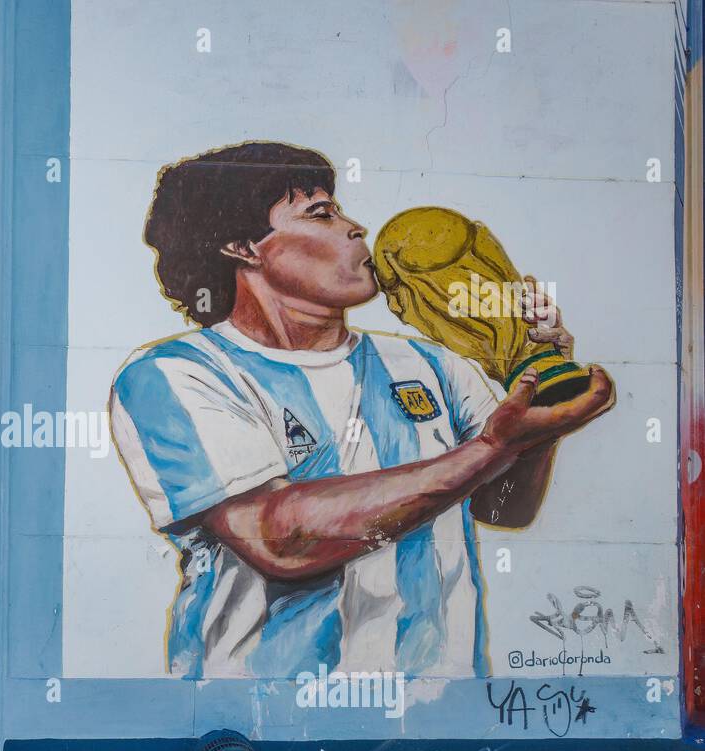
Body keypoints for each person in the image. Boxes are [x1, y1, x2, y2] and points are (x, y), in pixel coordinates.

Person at [108, 141, 615, 679]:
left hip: (435, 702)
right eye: (321, 213)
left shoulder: (431, 363)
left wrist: (542, 405)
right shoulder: (176, 373)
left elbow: (504, 507)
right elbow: (279, 538)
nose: (356, 228)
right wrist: (492, 447)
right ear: (243, 246)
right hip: (261, 707)